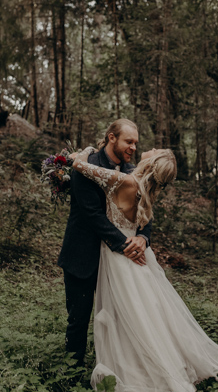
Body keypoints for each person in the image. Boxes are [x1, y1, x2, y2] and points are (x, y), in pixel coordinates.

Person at [70, 145, 218, 392]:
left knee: (129, 315)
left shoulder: (125, 179)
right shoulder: (147, 186)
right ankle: (163, 363)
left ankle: (142, 372)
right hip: (141, 259)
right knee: (148, 313)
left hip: (119, 256)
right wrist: (142, 238)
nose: (149, 146)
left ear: (153, 161)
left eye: (156, 149)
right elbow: (142, 223)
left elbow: (79, 166)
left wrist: (85, 150)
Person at [57, 119, 152, 367]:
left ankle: (118, 367)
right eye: (128, 142)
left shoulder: (133, 172)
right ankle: (72, 372)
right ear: (112, 138)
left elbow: (145, 209)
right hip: (83, 254)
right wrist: (125, 245)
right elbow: (92, 215)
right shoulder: (86, 165)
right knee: (79, 317)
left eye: (135, 143)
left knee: (121, 316)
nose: (133, 147)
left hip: (118, 263)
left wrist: (142, 237)